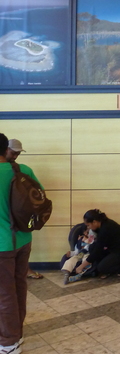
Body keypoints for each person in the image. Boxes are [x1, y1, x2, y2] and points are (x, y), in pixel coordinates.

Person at [0, 132, 43, 354]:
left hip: (1, 245)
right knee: (18, 286)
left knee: (4, 293)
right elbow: (39, 200)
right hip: (23, 239)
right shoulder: (24, 170)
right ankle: (16, 333)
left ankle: (8, 343)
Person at [6, 139, 43, 280]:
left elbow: (40, 194)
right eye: (13, 152)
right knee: (19, 280)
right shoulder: (24, 170)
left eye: (17, 154)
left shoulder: (26, 170)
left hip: (15, 230)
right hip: (22, 228)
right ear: (5, 149)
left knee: (8, 283)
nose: (15, 156)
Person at [72, 209, 120, 280]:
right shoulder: (101, 225)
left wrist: (81, 266)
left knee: (102, 268)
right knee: (92, 247)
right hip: (112, 249)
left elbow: (98, 250)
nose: (88, 228)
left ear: (94, 222)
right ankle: (108, 265)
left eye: (88, 225)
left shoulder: (106, 228)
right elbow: (97, 247)